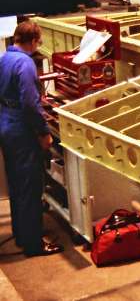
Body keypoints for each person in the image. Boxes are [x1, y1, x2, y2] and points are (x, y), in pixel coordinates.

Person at [0, 20, 63, 256]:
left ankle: (22, 234)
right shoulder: (25, 63)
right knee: (31, 186)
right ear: (34, 41)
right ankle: (34, 244)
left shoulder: (5, 58)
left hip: (6, 123)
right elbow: (29, 103)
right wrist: (44, 132)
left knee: (17, 184)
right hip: (22, 130)